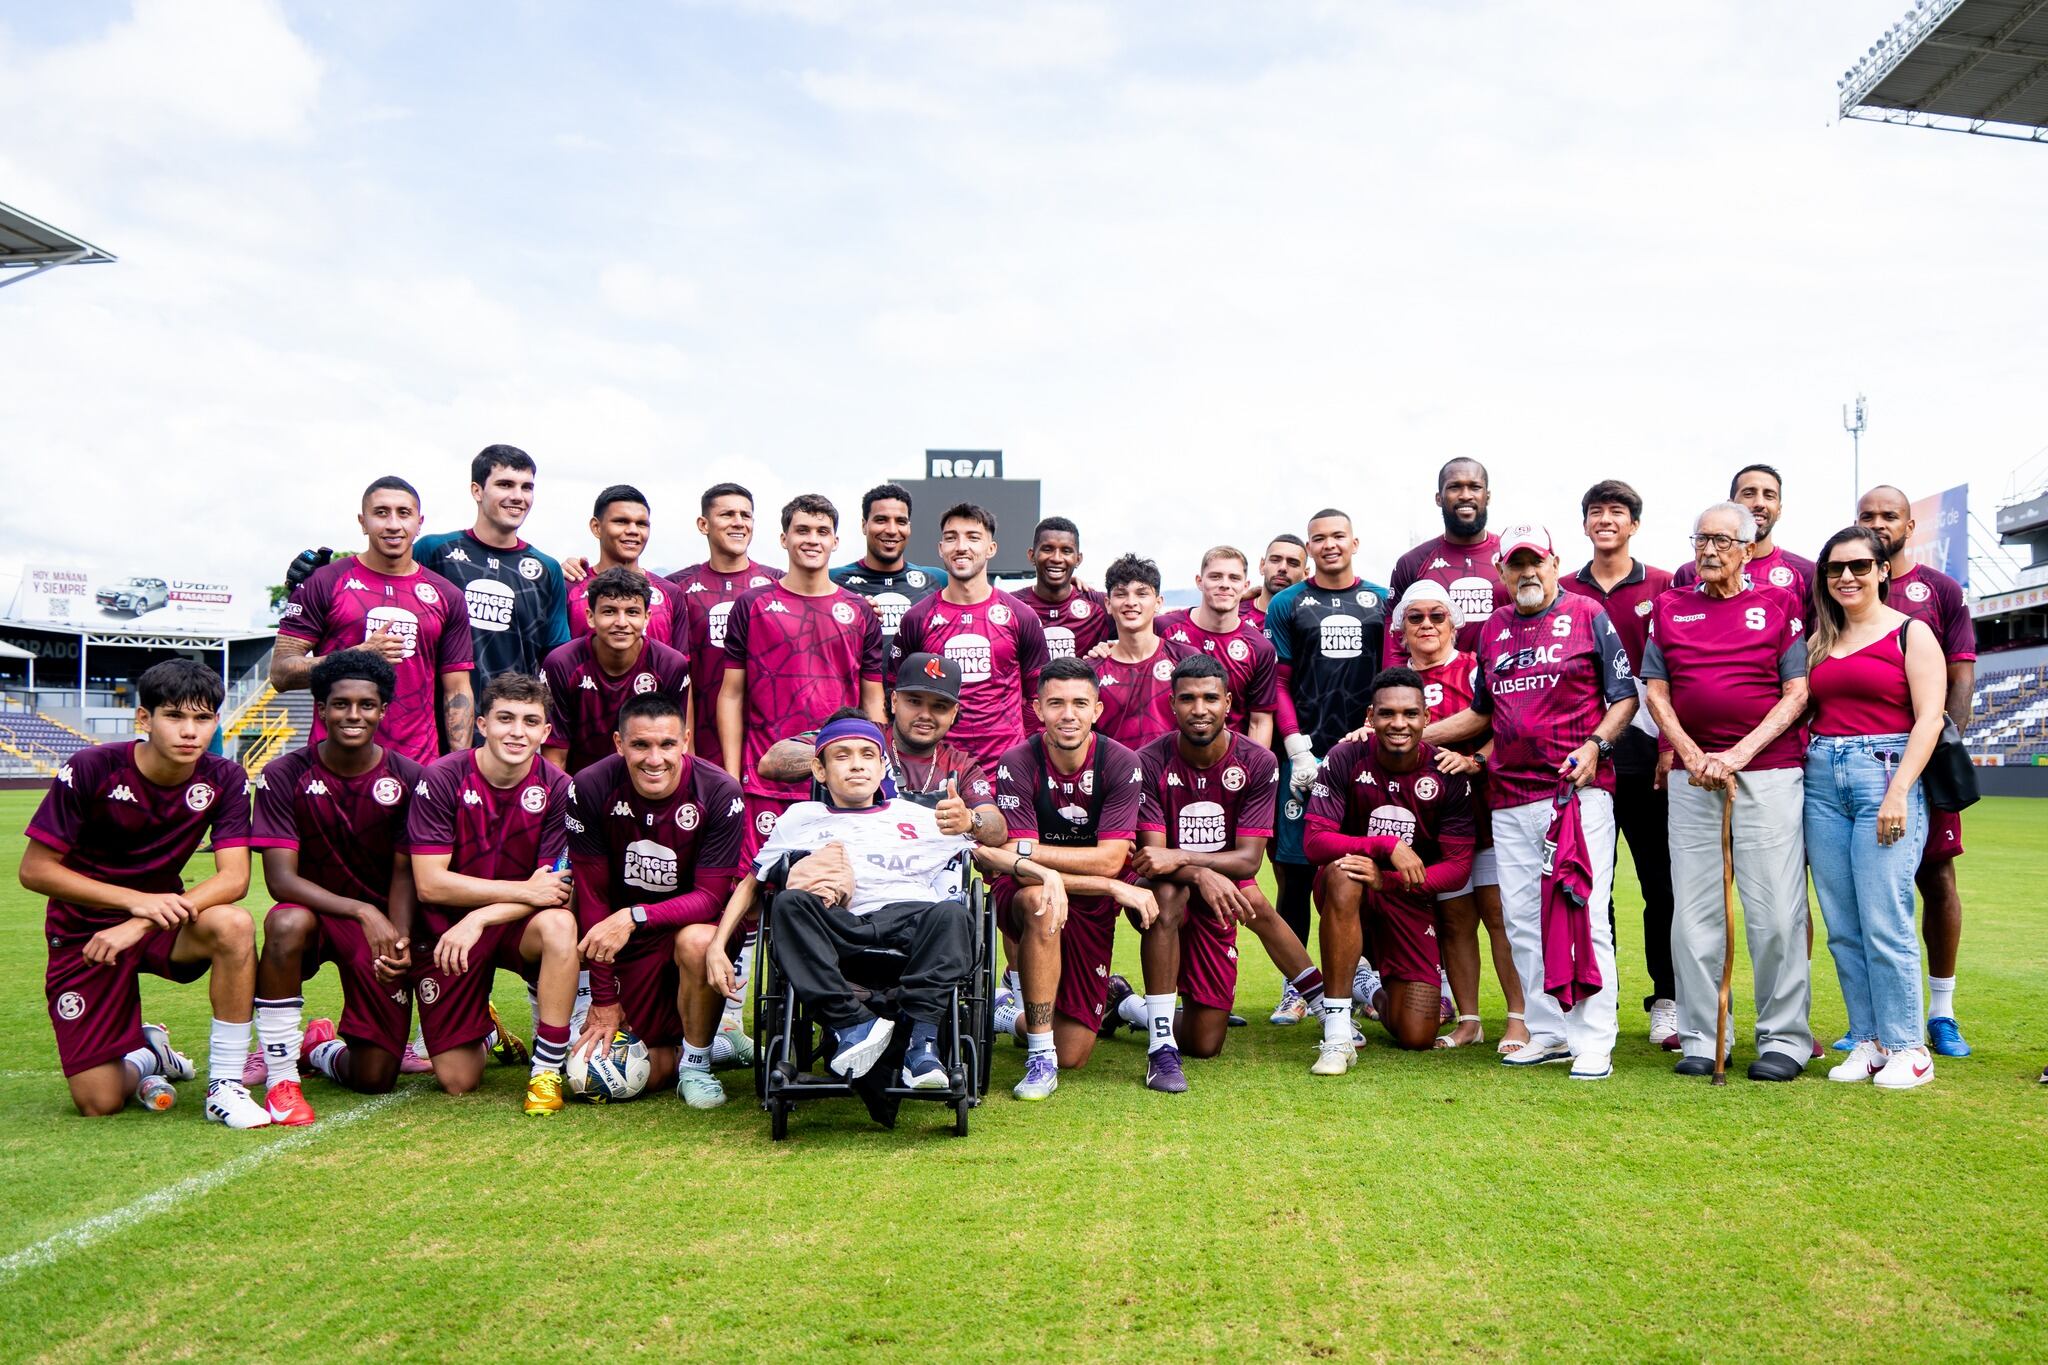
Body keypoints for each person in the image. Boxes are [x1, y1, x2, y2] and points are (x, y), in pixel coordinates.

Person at [1425, 524, 1636, 1081]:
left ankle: (1594, 1040)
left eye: (1535, 562)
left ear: (1554, 562)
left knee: (1584, 916)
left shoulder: (1588, 613)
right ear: (1500, 572)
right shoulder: (1491, 628)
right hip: (1508, 795)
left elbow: (1624, 697)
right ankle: (1548, 1030)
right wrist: (1408, 739)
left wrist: (1597, 746)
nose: (1526, 573)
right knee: (1521, 920)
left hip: (1575, 792)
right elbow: (1481, 714)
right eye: (1515, 564)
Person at [20, 660, 269, 1127]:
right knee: (99, 1101)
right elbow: (35, 871)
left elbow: (235, 879)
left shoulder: (225, 779)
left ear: (216, 721)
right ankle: (152, 1052)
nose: (189, 731)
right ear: (144, 720)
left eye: (202, 718)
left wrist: (141, 919)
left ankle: (226, 1085)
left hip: (162, 923)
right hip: (85, 934)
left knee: (234, 923)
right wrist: (131, 901)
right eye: (174, 716)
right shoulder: (93, 767)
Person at [707, 714, 977, 1093]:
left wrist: (1041, 872)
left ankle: (923, 1046)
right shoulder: (799, 818)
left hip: (912, 919)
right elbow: (753, 883)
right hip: (840, 926)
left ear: (882, 765)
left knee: (953, 914)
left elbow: (987, 855)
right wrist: (718, 946)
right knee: (787, 903)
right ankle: (853, 1023)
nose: (856, 764)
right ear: (819, 768)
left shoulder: (921, 817)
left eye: (868, 754)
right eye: (842, 755)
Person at [1640, 503, 1813, 1081]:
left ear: (1747, 545)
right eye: (1700, 539)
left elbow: (1796, 693)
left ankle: (1784, 1040)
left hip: (1766, 771)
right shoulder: (1670, 608)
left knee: (1775, 913)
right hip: (1694, 777)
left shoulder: (1780, 603)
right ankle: (1703, 1036)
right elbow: (1656, 693)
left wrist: (1739, 754)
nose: (1708, 550)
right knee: (1693, 916)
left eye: (1721, 540)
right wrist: (1690, 753)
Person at [1108, 656, 1320, 1069]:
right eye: (1187, 698)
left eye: (1209, 698)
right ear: (1172, 705)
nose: (1199, 709)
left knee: (1205, 1043)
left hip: (1220, 877)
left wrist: (1192, 861)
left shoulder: (1258, 761)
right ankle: (1161, 1042)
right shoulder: (1148, 761)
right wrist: (1199, 872)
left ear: (1227, 703)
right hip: (1161, 889)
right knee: (1172, 895)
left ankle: (1126, 1006)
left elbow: (1247, 861)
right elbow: (1153, 859)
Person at [248, 651, 426, 1122]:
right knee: (284, 922)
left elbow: (406, 872)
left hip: (383, 926)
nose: (353, 715)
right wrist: (362, 911)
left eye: (366, 705)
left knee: (375, 1078)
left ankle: (320, 1050)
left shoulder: (410, 777)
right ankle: (282, 1074)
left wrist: (399, 938)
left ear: (383, 711)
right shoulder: (284, 774)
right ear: (321, 709)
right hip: (319, 915)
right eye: (340, 704)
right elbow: (281, 880)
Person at [1805, 526, 1947, 1091]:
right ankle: (1870, 1039)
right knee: (1843, 925)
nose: (1847, 577)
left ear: (1883, 570)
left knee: (1885, 919)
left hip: (1884, 774)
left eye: (1860, 566)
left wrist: (1897, 793)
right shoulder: (1821, 640)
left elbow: (1929, 718)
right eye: (1836, 568)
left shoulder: (1912, 634)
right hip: (1822, 779)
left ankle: (1910, 1046)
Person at [406, 673, 579, 1115]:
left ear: (545, 732)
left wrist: (480, 917)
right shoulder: (442, 777)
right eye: (504, 718)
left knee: (560, 925)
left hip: (513, 925)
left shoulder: (560, 788)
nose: (516, 732)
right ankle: (481, 1027)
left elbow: (555, 892)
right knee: (458, 1082)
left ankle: (545, 1071)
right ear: (482, 723)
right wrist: (520, 891)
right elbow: (430, 882)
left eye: (529, 721)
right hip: (447, 931)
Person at [988, 658, 1161, 1100]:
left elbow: (1109, 859)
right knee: (1039, 899)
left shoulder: (1121, 762)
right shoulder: (1017, 761)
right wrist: (1105, 881)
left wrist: (1029, 852)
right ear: (1037, 708)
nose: (1068, 714)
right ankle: (1038, 1056)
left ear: (1097, 710)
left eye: (1080, 703)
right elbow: (1022, 870)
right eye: (1056, 703)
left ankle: (1010, 1016)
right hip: (1030, 893)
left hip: (1086, 898)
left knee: (1075, 1053)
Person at [566, 693, 748, 1108]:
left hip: (689, 930)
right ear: (618, 744)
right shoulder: (590, 786)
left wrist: (634, 916)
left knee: (698, 941)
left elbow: (709, 898)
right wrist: (604, 998)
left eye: (667, 744)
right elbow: (592, 895)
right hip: (623, 939)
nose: (654, 758)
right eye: (640, 745)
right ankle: (718, 1043)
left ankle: (698, 1065)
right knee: (642, 1066)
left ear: (684, 740)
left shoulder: (719, 790)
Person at [1857, 484, 1978, 1058]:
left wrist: (1939, 749)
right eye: (1866, 515)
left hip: (1923, 760)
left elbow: (1960, 674)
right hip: (1858, 760)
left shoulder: (1940, 590)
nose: (1878, 522)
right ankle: (1874, 1021)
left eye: (1889, 515)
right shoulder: (1843, 584)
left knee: (1937, 878)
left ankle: (1942, 1012)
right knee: (1865, 889)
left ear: (1909, 524)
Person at [1305, 667, 1477, 1067]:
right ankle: (1337, 1033)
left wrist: (1390, 880)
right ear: (1370, 717)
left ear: (1427, 718)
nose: (1398, 723)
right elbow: (1315, 842)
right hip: (1349, 892)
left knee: (1416, 1034)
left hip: (1406, 895)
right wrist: (1386, 845)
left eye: (1410, 714)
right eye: (1387, 714)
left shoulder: (1446, 772)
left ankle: (1367, 987)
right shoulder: (1345, 756)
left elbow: (1458, 867)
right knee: (1346, 872)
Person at [1559, 479, 1678, 1050]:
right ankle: (1590, 1000)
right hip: (1581, 761)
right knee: (1590, 889)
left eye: (1618, 512)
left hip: (1648, 759)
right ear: (1584, 524)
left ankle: (1668, 999)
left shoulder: (1664, 584)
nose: (1606, 520)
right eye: (1596, 512)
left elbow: (1674, 671)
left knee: (1662, 885)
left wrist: (1669, 746)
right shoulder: (1562, 588)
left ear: (1634, 524)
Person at [1263, 509, 1390, 1023]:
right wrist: (1294, 747)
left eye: (1338, 536)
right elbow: (1278, 682)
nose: (1329, 545)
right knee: (1294, 872)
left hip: (1367, 753)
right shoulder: (1288, 604)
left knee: (1362, 866)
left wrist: (1378, 737)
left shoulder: (1382, 602)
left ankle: (1367, 974)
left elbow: (1393, 678)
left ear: (1355, 541)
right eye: (1320, 538)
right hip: (1305, 756)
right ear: (1309, 548)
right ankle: (1297, 985)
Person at [1392, 581, 1526, 1054]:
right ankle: (1469, 1020)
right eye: (1415, 618)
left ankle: (1518, 1018)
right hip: (1427, 827)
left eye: (1437, 616)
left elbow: (1504, 723)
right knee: (1454, 922)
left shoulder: (1473, 669)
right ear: (1400, 629)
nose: (1427, 625)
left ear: (1454, 623)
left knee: (1498, 917)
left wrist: (1477, 762)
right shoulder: (1394, 680)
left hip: (1481, 813)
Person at [717, 494, 886, 858]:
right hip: (765, 778)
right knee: (760, 889)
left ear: (835, 541)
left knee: (840, 887)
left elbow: (873, 698)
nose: (813, 539)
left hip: (840, 779)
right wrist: (732, 775)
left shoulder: (859, 610)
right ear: (784, 539)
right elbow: (731, 694)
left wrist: (879, 771)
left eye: (823, 531)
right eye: (802, 530)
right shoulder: (752, 605)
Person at [273, 475, 475, 763]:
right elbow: (280, 673)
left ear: (419, 522)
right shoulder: (325, 581)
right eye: (381, 513)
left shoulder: (447, 595)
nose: (393, 524)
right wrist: (357, 656)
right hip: (332, 766)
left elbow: (457, 691)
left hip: (417, 765)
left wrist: (457, 767)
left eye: (404, 513)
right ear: (362, 522)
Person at [758, 652, 1008, 848]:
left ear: (953, 713)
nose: (925, 715)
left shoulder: (961, 765)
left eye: (939, 706)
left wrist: (969, 820)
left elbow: (997, 828)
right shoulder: (859, 735)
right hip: (843, 862)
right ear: (895, 701)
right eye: (914, 701)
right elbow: (770, 762)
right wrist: (840, 758)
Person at [890, 503, 1052, 772]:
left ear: (991, 548)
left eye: (973, 537)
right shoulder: (917, 618)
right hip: (935, 770)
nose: (961, 546)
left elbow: (1040, 693)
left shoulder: (1020, 615)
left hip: (1005, 768)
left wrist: (1023, 751)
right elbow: (895, 693)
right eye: (951, 538)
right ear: (941, 548)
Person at [414, 444, 570, 693]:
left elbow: (557, 658)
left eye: (527, 487)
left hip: (512, 722)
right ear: (477, 490)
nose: (518, 496)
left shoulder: (547, 569)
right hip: (437, 718)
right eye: (505, 484)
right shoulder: (433, 551)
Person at [667, 482, 784, 765]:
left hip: (768, 740)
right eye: (727, 514)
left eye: (746, 515)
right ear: (703, 524)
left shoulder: (779, 584)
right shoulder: (675, 588)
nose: (738, 523)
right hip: (700, 739)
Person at [540, 568, 691, 775]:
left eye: (632, 612)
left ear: (647, 618)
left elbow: (673, 748)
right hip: (579, 785)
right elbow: (555, 757)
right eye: (609, 611)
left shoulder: (670, 665)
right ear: (590, 617)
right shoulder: (561, 664)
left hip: (645, 779)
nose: (621, 623)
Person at [1385, 458, 1510, 656]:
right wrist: (1397, 685)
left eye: (1475, 487)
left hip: (1503, 682)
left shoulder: (1513, 556)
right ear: (1439, 498)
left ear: (1487, 496)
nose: (1465, 495)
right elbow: (1394, 638)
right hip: (1434, 685)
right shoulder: (1412, 563)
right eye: (1454, 487)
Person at [1158, 545, 1278, 746]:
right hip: (1168, 760)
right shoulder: (1163, 628)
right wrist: (1104, 648)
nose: (1225, 584)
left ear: (1246, 585)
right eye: (1215, 576)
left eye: (1234, 578)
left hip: (1227, 764)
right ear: (1199, 581)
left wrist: (1252, 771)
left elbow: (1260, 721)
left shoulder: (1260, 648)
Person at [1089, 554, 1196, 749]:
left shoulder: (1186, 659)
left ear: (1158, 602)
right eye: (1121, 594)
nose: (1131, 602)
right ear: (1107, 604)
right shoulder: (1091, 669)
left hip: (1174, 776)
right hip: (1115, 777)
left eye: (1141, 593)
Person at [1672, 464, 1814, 604]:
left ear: (1779, 511)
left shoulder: (1806, 573)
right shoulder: (1689, 573)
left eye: (1769, 496)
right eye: (1749, 494)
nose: (1759, 503)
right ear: (1730, 505)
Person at [565, 484, 679, 646]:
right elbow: (555, 659)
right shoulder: (569, 587)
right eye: (621, 522)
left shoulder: (670, 592)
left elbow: (679, 663)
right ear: (596, 527)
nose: (633, 530)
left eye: (641, 524)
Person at [829, 482, 944, 641]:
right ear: (864, 525)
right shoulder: (832, 580)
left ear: (909, 527)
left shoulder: (938, 580)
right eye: (881, 520)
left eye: (901, 522)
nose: (891, 530)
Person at [1020, 516, 1112, 660]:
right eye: (1047, 549)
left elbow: (1149, 629)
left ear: (1078, 559)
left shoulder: (1100, 604)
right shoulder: (1011, 607)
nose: (1057, 558)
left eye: (1066, 551)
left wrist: (1115, 650)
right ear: (1032, 556)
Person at [1249, 535, 1307, 628]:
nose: (1283, 568)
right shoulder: (1235, 612)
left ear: (1305, 574)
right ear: (1262, 565)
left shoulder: (1312, 620)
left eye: (1293, 563)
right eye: (1275, 560)